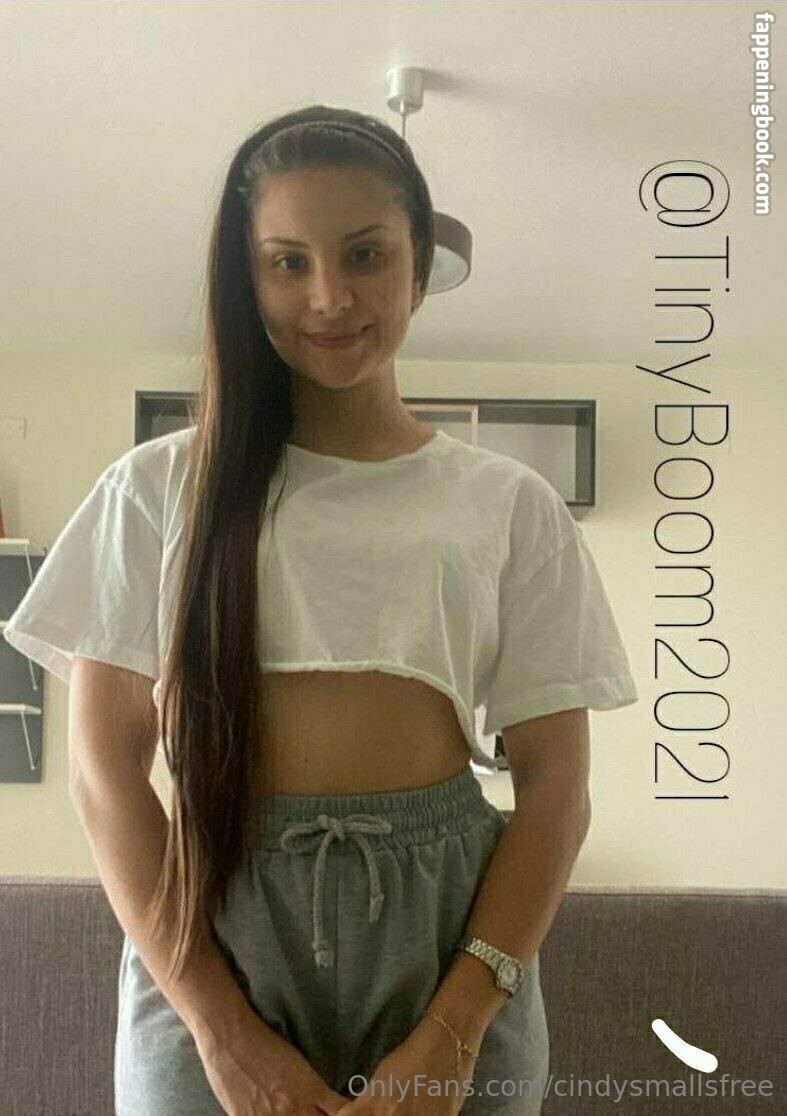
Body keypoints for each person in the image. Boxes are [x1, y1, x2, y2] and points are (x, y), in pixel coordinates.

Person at [3, 105, 639, 1115]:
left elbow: (556, 786)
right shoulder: (155, 490)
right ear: (246, 278)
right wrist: (219, 1029)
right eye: (287, 263)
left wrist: (456, 1028)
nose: (329, 296)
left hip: (446, 937)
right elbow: (103, 775)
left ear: (418, 268)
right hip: (211, 936)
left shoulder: (509, 505)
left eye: (365, 255)